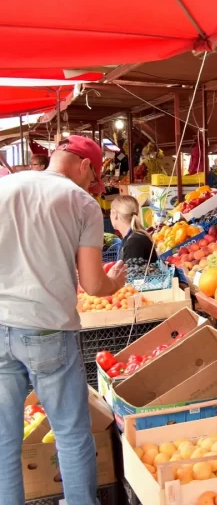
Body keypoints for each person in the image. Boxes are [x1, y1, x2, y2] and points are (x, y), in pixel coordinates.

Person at [0, 136, 126, 505]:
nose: (92, 186)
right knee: (71, 435)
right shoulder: (81, 203)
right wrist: (114, 282)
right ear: (85, 166)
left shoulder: (5, 186)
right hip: (47, 328)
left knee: (5, 437)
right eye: (94, 177)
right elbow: (92, 283)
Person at [110, 195, 157, 265]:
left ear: (116, 215)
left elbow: (132, 274)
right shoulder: (134, 237)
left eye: (110, 212)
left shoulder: (133, 243)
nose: (110, 216)